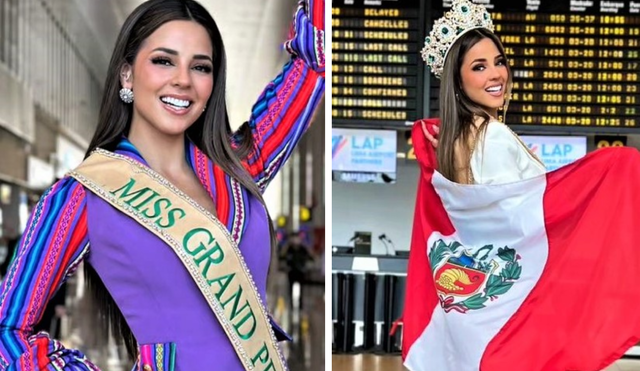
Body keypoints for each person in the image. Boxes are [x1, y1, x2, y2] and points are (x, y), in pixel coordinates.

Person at [0, 0, 324, 370]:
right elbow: (7, 330)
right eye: (163, 60)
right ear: (127, 75)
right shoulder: (84, 195)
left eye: (200, 67)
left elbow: (313, 62)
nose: (183, 79)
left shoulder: (238, 169)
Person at [403, 2, 640, 371]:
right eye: (479, 67)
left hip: (478, 327)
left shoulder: (454, 140)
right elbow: (519, 232)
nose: (496, 74)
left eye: (498, 61)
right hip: (510, 317)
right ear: (457, 80)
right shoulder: (492, 136)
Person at [280, 232, 314, 310]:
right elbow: (282, 256)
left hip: (300, 271)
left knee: (301, 289)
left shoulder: (303, 249)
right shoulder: (289, 248)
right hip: (291, 271)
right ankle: (291, 305)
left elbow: (311, 256)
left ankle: (300, 305)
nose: (295, 241)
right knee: (290, 289)